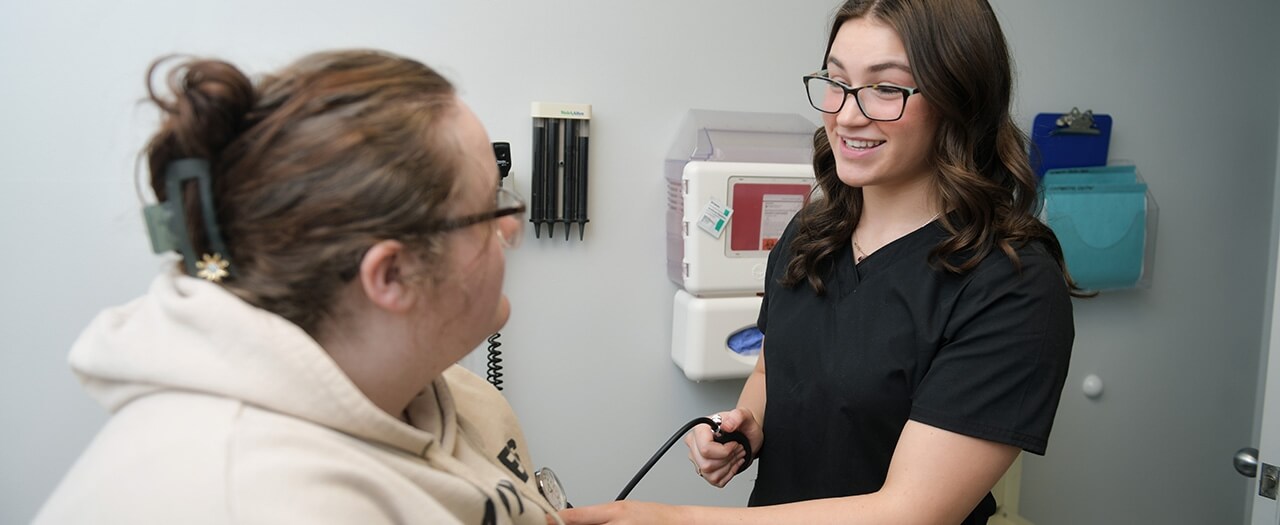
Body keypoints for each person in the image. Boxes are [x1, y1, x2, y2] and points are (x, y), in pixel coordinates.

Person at [559, 0, 1078, 523]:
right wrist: (748, 426)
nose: (847, 114)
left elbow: (910, 513)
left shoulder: (1011, 281)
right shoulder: (812, 233)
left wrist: (675, 520)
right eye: (836, 81)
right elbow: (772, 366)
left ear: (960, 98)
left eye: (886, 88)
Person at [35, 50, 559, 525]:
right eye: (493, 208)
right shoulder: (242, 500)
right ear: (392, 275)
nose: (511, 227)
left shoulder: (447, 396)